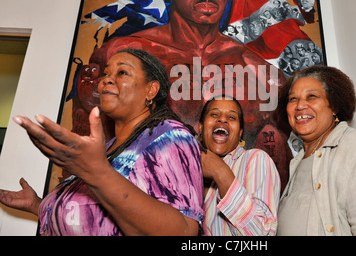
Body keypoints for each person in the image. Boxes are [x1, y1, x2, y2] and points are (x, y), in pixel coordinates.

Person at [77, 0, 289, 190]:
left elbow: (276, 168)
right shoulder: (121, 54)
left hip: (228, 217)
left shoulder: (261, 73)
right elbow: (87, 148)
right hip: (139, 209)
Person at [0, 48, 204, 236]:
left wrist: (98, 173)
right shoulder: (106, 149)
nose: (106, 80)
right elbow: (91, 215)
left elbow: (183, 231)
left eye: (122, 73)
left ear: (150, 90)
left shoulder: (170, 137)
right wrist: (39, 205)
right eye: (105, 74)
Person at [274, 65, 356, 235]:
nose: (300, 106)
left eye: (312, 96)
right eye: (293, 99)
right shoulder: (297, 162)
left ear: (334, 106)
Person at [199, 95, 280, 236]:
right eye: (214, 114)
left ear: (240, 133)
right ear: (201, 127)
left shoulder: (254, 160)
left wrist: (221, 172)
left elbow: (261, 235)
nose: (222, 119)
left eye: (231, 117)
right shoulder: (185, 169)